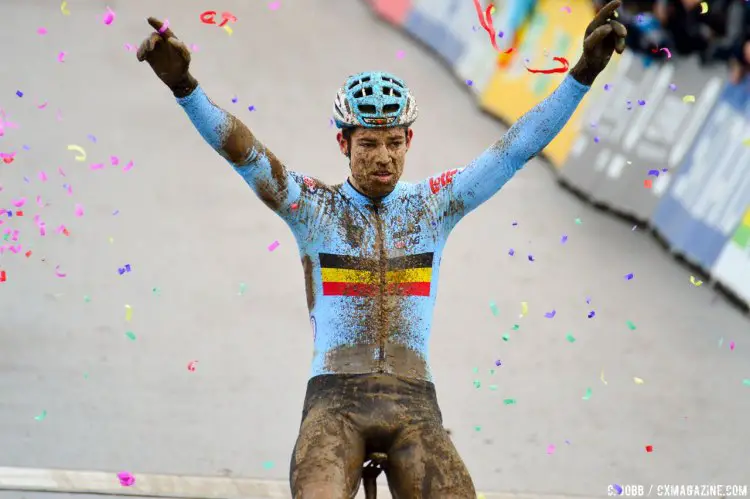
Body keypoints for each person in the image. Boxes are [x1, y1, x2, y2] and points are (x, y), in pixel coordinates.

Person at [136, 2, 626, 497]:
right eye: (368, 143)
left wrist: (583, 73)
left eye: (394, 142)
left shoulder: (436, 205)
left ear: (409, 138)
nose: (384, 157)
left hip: (415, 407)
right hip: (335, 404)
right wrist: (185, 88)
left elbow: (517, 147)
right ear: (343, 144)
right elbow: (244, 153)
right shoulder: (312, 207)